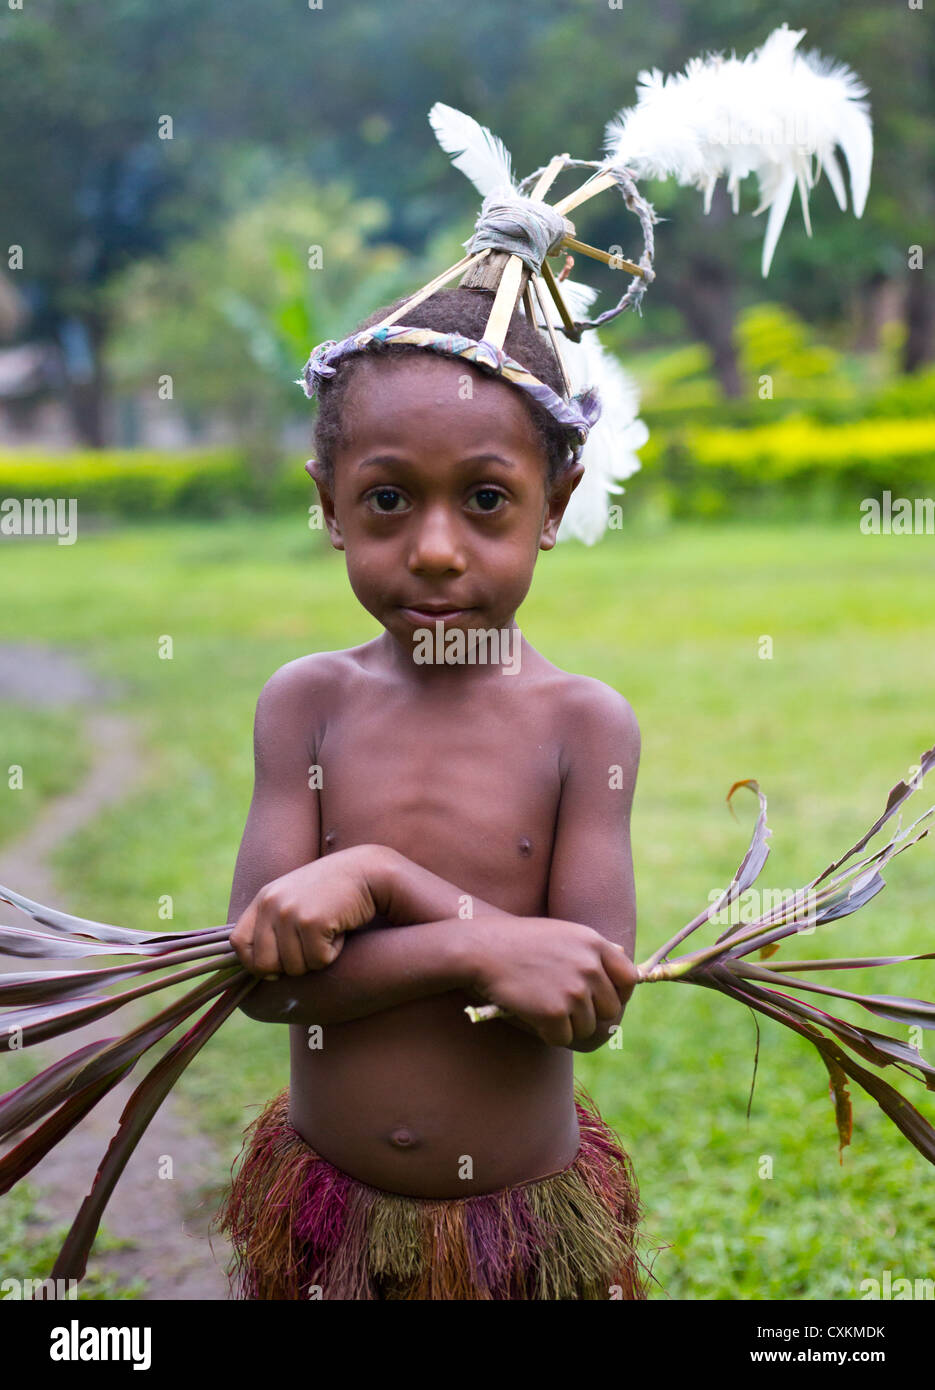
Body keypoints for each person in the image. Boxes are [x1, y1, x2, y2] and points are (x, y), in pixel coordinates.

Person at [215, 284, 654, 1300]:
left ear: (556, 502)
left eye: (486, 498)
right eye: (387, 498)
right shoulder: (306, 705)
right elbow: (262, 979)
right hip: (331, 1217)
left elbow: (586, 1006)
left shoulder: (583, 727)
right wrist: (473, 940)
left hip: (517, 1229)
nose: (436, 548)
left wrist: (378, 882)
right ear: (329, 505)